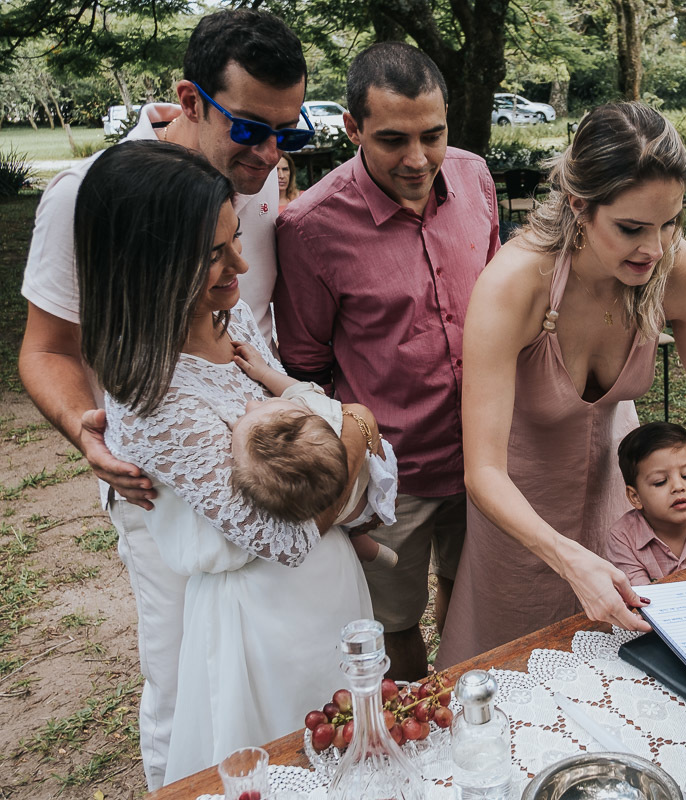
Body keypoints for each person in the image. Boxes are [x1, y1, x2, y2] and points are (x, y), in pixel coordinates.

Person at [17, 10, 310, 789]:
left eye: (291, 131)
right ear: (189, 97)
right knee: (185, 681)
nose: (272, 154)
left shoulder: (258, 181)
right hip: (167, 481)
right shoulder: (92, 193)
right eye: (251, 129)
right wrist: (90, 438)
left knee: (266, 673)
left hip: (265, 456)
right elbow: (47, 348)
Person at [436, 103, 686, 667]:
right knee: (513, 663)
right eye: (631, 228)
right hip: (519, 507)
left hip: (611, 493)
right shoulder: (514, 284)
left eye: (671, 222)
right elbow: (483, 471)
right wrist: (568, 559)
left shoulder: (681, 270)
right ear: (579, 205)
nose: (655, 248)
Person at [75, 140, 371, 783]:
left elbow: (292, 411)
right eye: (212, 252)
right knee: (285, 769)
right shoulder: (154, 396)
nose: (239, 263)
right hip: (260, 624)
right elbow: (281, 537)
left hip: (329, 584)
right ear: (144, 264)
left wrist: (330, 433)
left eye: (234, 239)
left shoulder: (227, 312)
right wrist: (355, 430)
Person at [274, 42, 501, 680]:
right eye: (393, 140)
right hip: (390, 474)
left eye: (433, 135)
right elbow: (306, 366)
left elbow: (500, 297)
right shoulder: (310, 227)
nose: (418, 158)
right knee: (393, 626)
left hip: (486, 455)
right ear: (353, 129)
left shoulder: (474, 176)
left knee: (472, 604)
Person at [231, 341, 401, 567]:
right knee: (347, 514)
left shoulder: (288, 492)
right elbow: (298, 390)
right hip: (365, 498)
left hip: (358, 498)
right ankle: (364, 543)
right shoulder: (311, 413)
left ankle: (365, 546)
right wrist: (263, 372)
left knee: (341, 520)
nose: (250, 404)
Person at [608, 422, 686, 585]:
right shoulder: (623, 538)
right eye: (660, 482)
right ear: (635, 497)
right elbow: (641, 601)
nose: (678, 486)